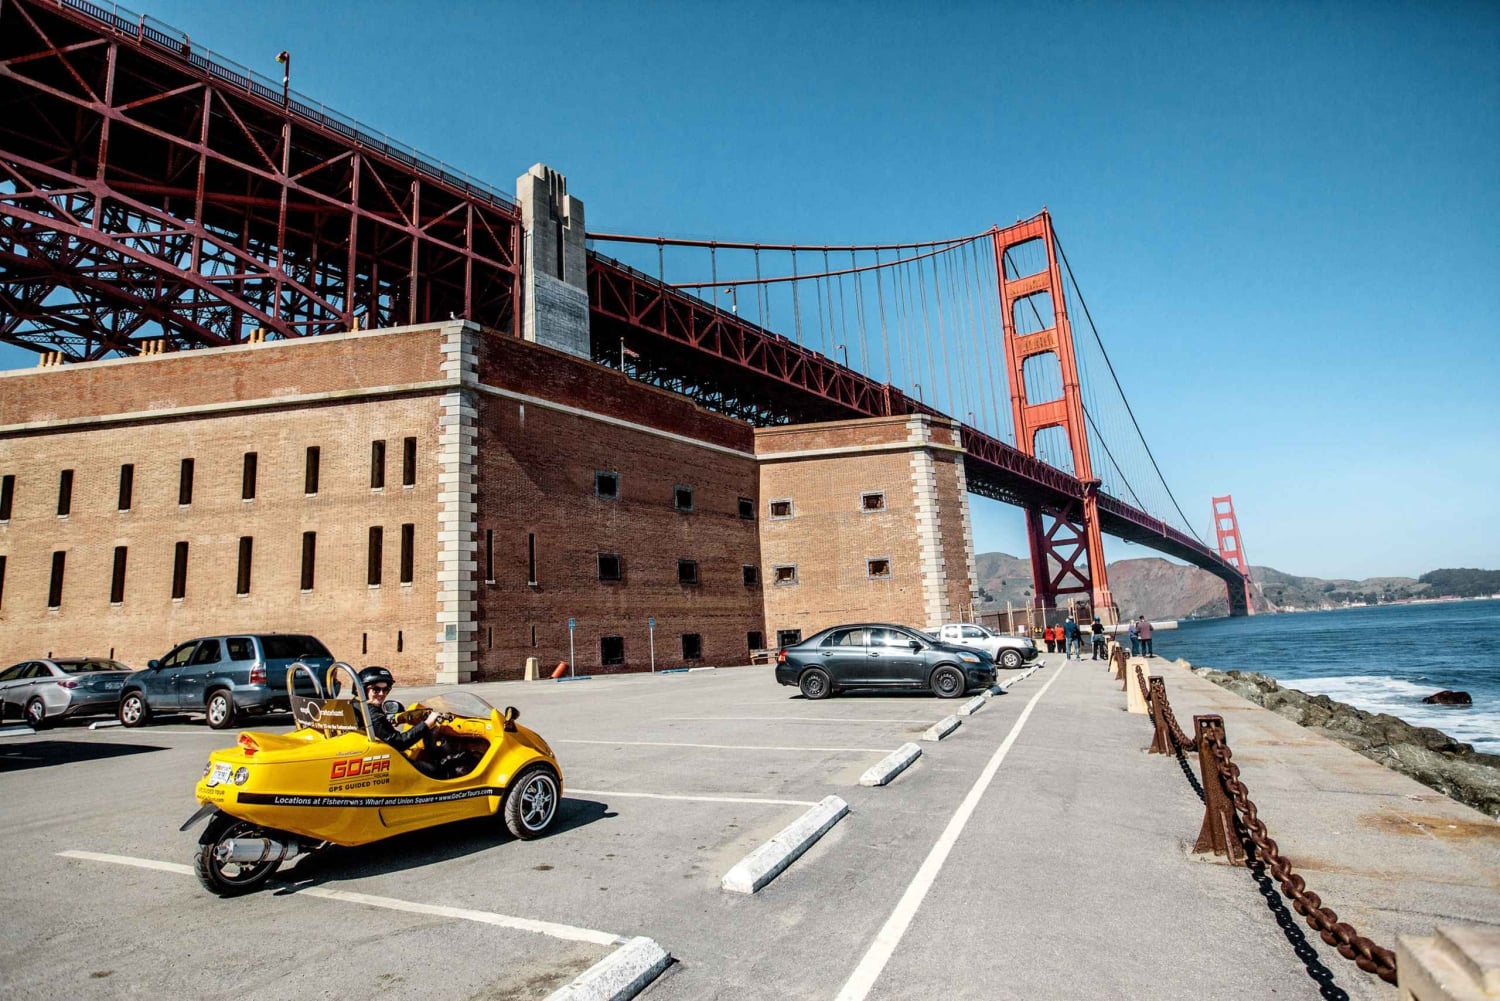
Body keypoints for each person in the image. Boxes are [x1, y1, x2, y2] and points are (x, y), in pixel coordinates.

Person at [357, 665, 442, 753]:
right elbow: (399, 743)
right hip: (384, 757)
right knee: (431, 766)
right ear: (363, 690)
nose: (382, 694)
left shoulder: (356, 706)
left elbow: (379, 730)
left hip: (369, 751)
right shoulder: (372, 713)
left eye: (386, 689)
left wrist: (387, 724)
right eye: (376, 689)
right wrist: (427, 724)